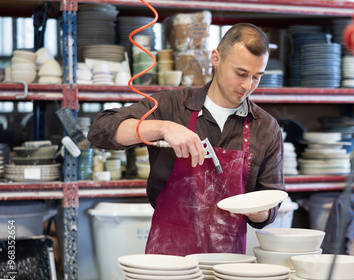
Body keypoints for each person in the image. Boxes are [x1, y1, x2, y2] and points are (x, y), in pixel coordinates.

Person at [88, 23, 285, 256]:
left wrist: (257, 210)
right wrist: (161, 127)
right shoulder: (171, 106)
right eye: (241, 73)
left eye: (256, 77)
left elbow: (270, 205)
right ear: (216, 58)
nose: (247, 86)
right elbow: (100, 130)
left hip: (228, 264)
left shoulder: (265, 127)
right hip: (168, 258)